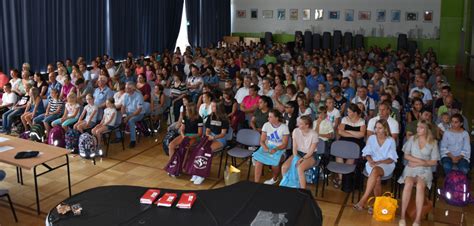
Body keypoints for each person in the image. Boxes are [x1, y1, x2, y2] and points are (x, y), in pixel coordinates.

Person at [398, 120, 439, 226]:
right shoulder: (412, 139)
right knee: (408, 184)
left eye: (421, 127)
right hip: (411, 168)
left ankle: (417, 219)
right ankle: (402, 216)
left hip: (425, 170)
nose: (418, 129)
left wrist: (420, 163)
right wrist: (420, 161)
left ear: (427, 130)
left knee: (420, 185)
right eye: (417, 127)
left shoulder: (433, 143)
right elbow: (406, 155)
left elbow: (434, 161)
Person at [353, 119, 398, 212]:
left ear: (385, 129)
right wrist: (370, 160)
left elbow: (391, 159)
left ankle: (363, 201)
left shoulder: (391, 140)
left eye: (380, 128)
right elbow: (366, 153)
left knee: (376, 171)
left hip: (386, 164)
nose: (377, 130)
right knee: (377, 178)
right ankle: (377, 204)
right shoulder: (372, 138)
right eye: (376, 128)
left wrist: (379, 162)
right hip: (372, 164)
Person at [192, 100, 229, 185]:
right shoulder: (210, 116)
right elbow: (207, 130)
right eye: (211, 106)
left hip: (220, 139)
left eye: (213, 106)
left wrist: (214, 137)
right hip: (210, 137)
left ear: (218, 108)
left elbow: (223, 134)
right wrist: (208, 135)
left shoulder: (224, 119)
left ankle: (202, 175)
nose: (211, 108)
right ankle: (196, 171)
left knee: (206, 150)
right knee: (199, 148)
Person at [333, 104, 366, 188]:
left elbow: (361, 134)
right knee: (338, 153)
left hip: (356, 144)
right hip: (344, 141)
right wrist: (354, 134)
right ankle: (341, 178)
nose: (347, 113)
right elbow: (340, 132)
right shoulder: (344, 119)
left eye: (349, 112)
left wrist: (348, 132)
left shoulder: (361, 121)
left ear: (355, 113)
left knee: (351, 156)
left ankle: (344, 178)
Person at [253, 109, 290, 185]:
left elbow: (284, 144)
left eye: (270, 117)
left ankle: (274, 178)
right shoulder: (266, 125)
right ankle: (256, 183)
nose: (268, 118)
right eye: (268, 117)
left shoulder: (284, 127)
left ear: (276, 118)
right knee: (258, 161)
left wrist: (275, 149)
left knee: (274, 163)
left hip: (280, 148)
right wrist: (266, 148)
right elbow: (262, 141)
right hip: (267, 146)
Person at [281, 116, 319, 189]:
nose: (298, 124)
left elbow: (311, 152)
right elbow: (294, 147)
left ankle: (302, 190)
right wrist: (296, 158)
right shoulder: (296, 131)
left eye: (300, 123)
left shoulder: (314, 134)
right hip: (298, 153)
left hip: (310, 155)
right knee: (284, 167)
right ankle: (286, 186)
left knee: (300, 168)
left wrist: (301, 159)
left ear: (307, 125)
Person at [120, 82, 145, 148]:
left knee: (131, 120)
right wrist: (124, 116)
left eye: (128, 88)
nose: (126, 89)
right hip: (129, 113)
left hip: (138, 114)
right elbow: (123, 107)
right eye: (126, 88)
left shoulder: (139, 96)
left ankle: (133, 140)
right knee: (118, 117)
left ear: (132, 89)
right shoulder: (125, 95)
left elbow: (138, 110)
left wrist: (128, 117)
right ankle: (119, 137)